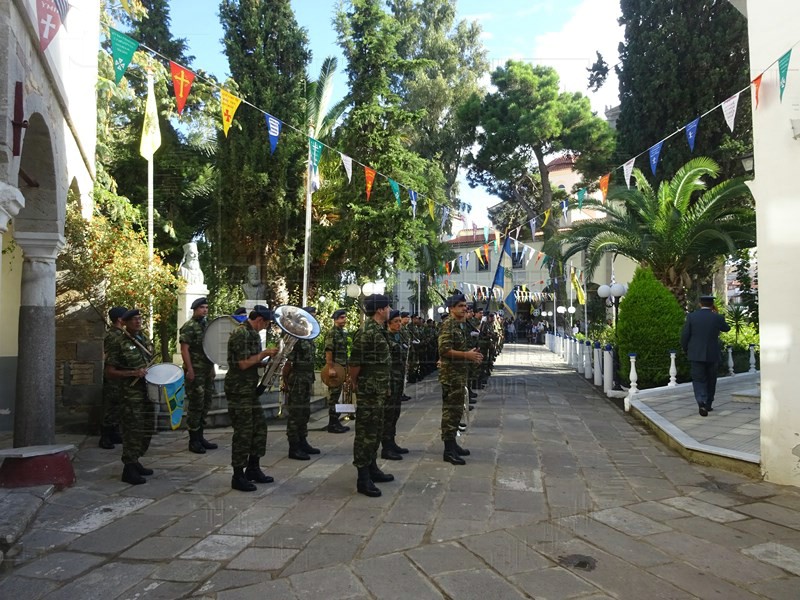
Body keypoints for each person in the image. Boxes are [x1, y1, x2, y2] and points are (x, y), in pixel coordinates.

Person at [225, 305, 279, 491]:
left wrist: (269, 361)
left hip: (249, 389)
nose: (267, 326)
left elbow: (252, 361)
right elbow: (242, 364)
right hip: (238, 390)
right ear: (260, 320)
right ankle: (238, 475)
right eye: (267, 323)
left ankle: (253, 468)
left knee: (259, 428)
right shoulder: (241, 334)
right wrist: (264, 354)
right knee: (243, 432)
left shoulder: (253, 335)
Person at [347, 293, 394, 497]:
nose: (390, 310)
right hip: (369, 391)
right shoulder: (367, 332)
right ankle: (363, 477)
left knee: (376, 431)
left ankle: (372, 467)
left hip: (379, 390)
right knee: (365, 432)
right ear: (380, 310)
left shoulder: (379, 330)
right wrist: (354, 383)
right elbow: (355, 363)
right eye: (387, 307)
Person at [104, 309, 155, 485]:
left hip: (147, 391)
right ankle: (129, 468)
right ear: (124, 322)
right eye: (134, 319)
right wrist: (133, 373)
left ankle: (136, 460)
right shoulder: (118, 342)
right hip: (130, 394)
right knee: (133, 430)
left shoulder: (144, 339)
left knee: (147, 428)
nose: (138, 322)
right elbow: (110, 372)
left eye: (140, 318)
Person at [438, 294, 483, 465]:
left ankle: (453, 444)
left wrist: (472, 354)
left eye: (465, 305)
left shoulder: (458, 325)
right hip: (451, 376)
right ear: (451, 308)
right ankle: (448, 450)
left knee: (457, 411)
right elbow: (444, 350)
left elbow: (460, 348)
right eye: (461, 306)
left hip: (458, 374)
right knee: (450, 412)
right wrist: (466, 355)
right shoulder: (448, 325)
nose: (465, 308)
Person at [681, 295, 731, 416]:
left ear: (700, 304)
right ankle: (708, 404)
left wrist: (685, 348)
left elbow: (685, 335)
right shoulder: (717, 317)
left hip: (696, 354)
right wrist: (717, 314)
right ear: (712, 305)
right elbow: (726, 328)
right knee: (711, 379)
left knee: (698, 379)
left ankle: (701, 401)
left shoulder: (692, 317)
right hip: (712, 354)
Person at [180, 297, 217, 454]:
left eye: (206, 307)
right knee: (196, 404)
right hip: (195, 371)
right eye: (202, 307)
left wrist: (212, 367)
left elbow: (210, 348)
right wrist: (190, 369)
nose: (205, 310)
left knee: (206, 403)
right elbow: (184, 349)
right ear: (195, 309)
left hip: (206, 370)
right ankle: (193, 440)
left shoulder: (207, 325)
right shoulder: (189, 327)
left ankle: (200, 437)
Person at [283, 306, 321, 460]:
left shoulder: (309, 336)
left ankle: (303, 441)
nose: (313, 319)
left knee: (304, 412)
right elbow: (288, 362)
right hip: (297, 379)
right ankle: (294, 447)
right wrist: (286, 381)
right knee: (295, 413)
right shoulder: (295, 337)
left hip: (306, 378)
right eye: (310, 316)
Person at [98, 306, 127, 450]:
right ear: (120, 319)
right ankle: (105, 437)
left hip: (121, 375)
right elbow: (111, 356)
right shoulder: (113, 335)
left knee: (118, 407)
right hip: (114, 376)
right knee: (110, 406)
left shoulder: (122, 334)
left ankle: (114, 433)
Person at [382, 310, 409, 460]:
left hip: (398, 380)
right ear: (388, 323)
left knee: (395, 413)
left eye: (400, 321)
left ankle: (392, 442)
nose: (399, 324)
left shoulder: (399, 336)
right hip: (390, 381)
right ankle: (386, 448)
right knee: (388, 415)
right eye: (396, 321)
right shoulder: (385, 338)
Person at [322, 308, 351, 434]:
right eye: (342, 318)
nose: (345, 320)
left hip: (341, 368)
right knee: (333, 396)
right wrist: (330, 368)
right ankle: (332, 423)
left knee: (337, 395)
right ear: (335, 319)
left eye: (345, 317)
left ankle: (335, 422)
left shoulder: (341, 333)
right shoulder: (332, 333)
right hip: (335, 368)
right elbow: (329, 351)